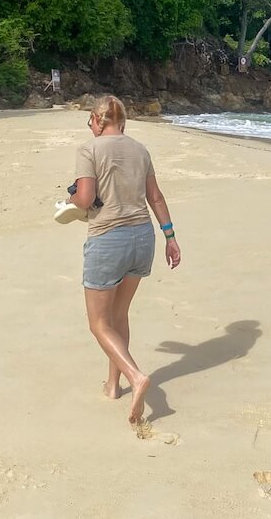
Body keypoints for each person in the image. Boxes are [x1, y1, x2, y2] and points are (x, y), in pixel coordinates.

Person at [67, 94, 181, 426]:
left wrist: (71, 195)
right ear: (122, 121)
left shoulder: (89, 150)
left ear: (97, 120)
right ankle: (113, 386)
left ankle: (134, 375)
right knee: (119, 315)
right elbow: (155, 197)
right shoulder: (140, 150)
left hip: (108, 239)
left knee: (99, 324)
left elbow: (86, 198)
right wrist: (171, 238)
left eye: (90, 121)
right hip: (143, 237)